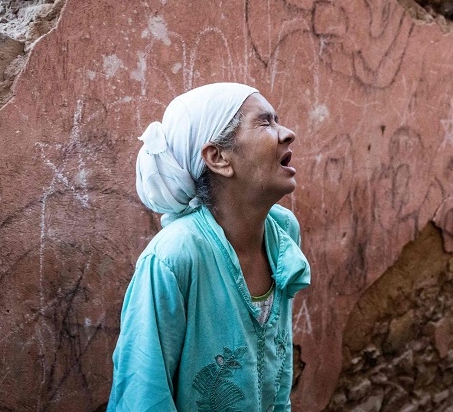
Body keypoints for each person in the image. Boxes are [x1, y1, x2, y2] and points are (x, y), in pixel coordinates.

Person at [108, 82, 311, 412]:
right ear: (218, 158)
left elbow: (279, 368)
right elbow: (143, 394)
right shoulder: (173, 257)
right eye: (265, 122)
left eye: (278, 119)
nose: (287, 133)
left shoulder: (282, 232)